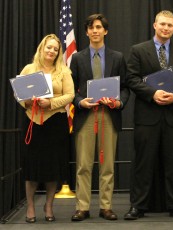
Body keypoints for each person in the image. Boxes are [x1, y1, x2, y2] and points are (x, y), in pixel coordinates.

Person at [124, 10, 173, 220]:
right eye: (162, 24)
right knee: (143, 163)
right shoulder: (138, 50)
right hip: (147, 116)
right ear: (154, 25)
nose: (166, 28)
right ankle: (137, 206)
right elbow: (132, 79)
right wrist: (152, 93)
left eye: (170, 25)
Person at [70, 14, 130, 221]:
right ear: (86, 32)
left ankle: (106, 206)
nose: (95, 31)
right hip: (86, 115)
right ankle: (82, 207)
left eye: (99, 27)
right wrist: (80, 102)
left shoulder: (118, 57)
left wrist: (119, 102)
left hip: (109, 115)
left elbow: (125, 88)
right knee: (84, 165)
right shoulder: (77, 58)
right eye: (91, 28)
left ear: (105, 31)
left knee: (108, 165)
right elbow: (71, 90)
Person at [20, 34, 75, 223]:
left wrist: (50, 103)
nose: (51, 51)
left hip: (55, 123)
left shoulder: (63, 71)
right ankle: (30, 207)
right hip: (32, 122)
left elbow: (70, 95)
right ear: (41, 48)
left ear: (58, 52)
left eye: (55, 49)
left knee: (53, 167)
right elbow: (18, 93)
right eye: (48, 47)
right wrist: (27, 101)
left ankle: (49, 206)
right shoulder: (29, 69)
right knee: (32, 167)